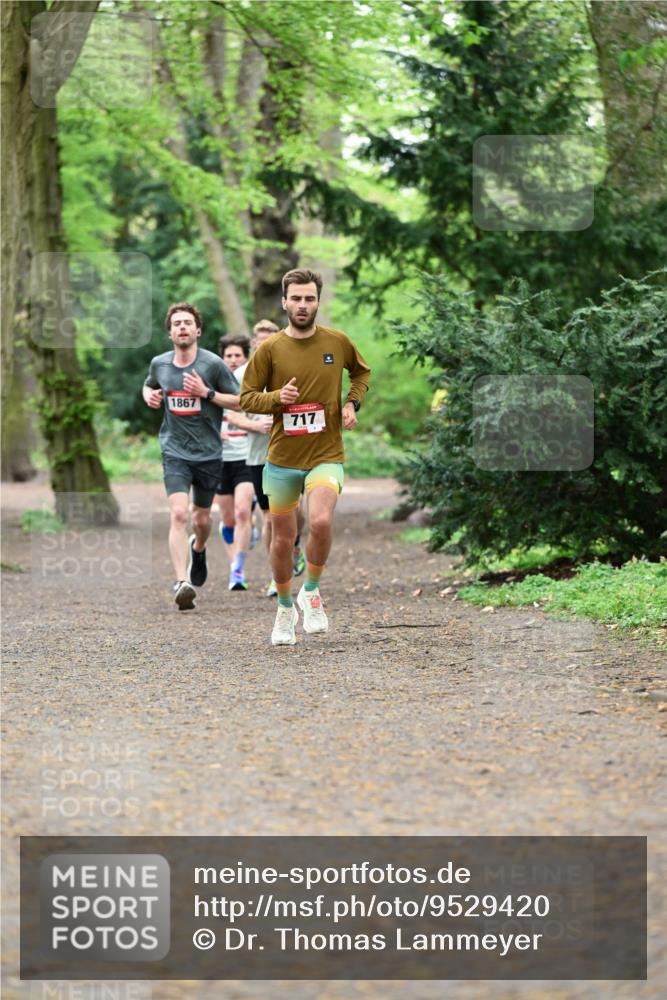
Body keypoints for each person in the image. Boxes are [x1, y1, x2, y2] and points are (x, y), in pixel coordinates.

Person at [240, 268, 371, 645]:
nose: (302, 305)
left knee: (322, 521)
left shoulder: (337, 342)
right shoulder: (269, 349)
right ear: (284, 302)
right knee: (283, 539)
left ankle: (310, 591)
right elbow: (248, 397)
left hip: (326, 453)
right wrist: (276, 399)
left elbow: (362, 374)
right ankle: (284, 608)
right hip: (282, 458)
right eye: (295, 298)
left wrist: (351, 403)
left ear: (318, 301)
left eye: (309, 298)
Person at [143, 302, 240, 610]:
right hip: (174, 451)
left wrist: (207, 393)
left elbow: (239, 401)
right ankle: (181, 582)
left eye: (187, 323)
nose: (182, 327)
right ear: (170, 332)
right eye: (176, 324)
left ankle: (198, 547)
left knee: (200, 519)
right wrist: (150, 396)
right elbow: (148, 387)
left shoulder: (212, 365)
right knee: (179, 514)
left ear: (197, 330)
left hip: (209, 454)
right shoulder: (160, 364)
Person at [227, 320, 307, 597]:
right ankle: (277, 575)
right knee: (270, 517)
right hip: (258, 456)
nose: (264, 345)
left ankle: (295, 542)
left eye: (270, 340)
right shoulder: (241, 375)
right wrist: (253, 426)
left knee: (296, 512)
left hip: (295, 452)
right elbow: (231, 411)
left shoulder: (295, 366)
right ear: (253, 345)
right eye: (259, 342)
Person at [215, 334, 255, 591]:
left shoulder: (252, 385)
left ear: (246, 358)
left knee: (242, 512)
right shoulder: (212, 386)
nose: (232, 360)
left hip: (247, 456)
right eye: (228, 355)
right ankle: (234, 562)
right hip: (219, 459)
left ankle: (237, 570)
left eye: (237, 355)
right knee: (229, 520)